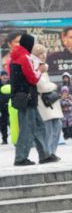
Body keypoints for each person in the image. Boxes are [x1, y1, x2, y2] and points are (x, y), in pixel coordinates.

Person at [10, 33, 54, 166]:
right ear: (29, 44)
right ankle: (20, 158)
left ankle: (45, 154)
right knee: (27, 128)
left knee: (39, 126)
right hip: (28, 98)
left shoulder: (16, 57)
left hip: (24, 97)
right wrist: (41, 70)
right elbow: (33, 78)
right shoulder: (24, 58)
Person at [32, 44, 62, 160]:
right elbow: (42, 87)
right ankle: (48, 153)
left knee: (57, 125)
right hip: (43, 102)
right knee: (48, 129)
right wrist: (54, 86)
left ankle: (52, 152)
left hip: (50, 102)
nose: (43, 55)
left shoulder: (43, 67)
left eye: (44, 53)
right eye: (40, 53)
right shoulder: (36, 67)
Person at [0, 70, 9, 144]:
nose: (5, 77)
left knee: (13, 123)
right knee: (3, 124)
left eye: (6, 75)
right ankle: (4, 139)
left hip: (11, 107)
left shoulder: (11, 83)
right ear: (0, 77)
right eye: (3, 75)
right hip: (2, 108)